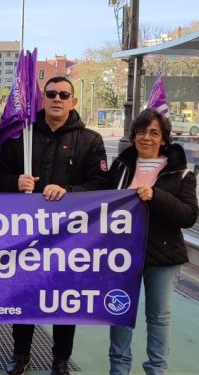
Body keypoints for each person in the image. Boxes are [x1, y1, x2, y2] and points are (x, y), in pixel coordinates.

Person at [0, 76, 108, 375]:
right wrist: (13, 182)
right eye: (51, 94)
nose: (57, 99)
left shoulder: (90, 140)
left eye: (63, 94)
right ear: (42, 99)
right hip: (26, 234)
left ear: (73, 101)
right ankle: (20, 355)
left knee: (65, 298)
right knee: (24, 294)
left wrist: (68, 192)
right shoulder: (21, 136)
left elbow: (100, 184)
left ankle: (60, 359)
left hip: (68, 238)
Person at [107, 109, 198, 375]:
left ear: (164, 139)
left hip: (163, 256)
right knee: (120, 314)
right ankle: (119, 369)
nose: (146, 137)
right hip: (122, 255)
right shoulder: (120, 167)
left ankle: (156, 370)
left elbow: (188, 215)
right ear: (134, 135)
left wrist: (155, 195)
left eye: (154, 133)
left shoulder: (182, 175)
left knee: (159, 318)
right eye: (141, 131)